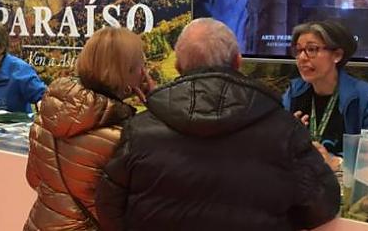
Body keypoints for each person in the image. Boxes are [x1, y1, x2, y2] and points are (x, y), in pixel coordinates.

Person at [96, 18, 340, 231]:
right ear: (237, 61)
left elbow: (109, 208)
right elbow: (322, 207)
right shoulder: (285, 129)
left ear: (179, 67)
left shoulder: (139, 130)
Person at [24, 27, 142, 231]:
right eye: (141, 64)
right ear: (127, 73)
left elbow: (33, 178)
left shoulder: (46, 117)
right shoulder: (123, 136)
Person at [283, 20, 368, 156]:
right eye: (298, 51)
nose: (302, 58)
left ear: (337, 55)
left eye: (311, 49)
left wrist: (336, 162)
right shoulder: (294, 93)